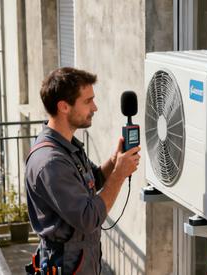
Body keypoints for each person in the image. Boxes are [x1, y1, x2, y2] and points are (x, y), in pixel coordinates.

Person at [24, 67, 140, 274]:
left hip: (82, 260)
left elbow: (93, 179)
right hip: (67, 264)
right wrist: (120, 175)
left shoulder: (66, 145)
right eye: (87, 101)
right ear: (64, 107)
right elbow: (88, 218)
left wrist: (114, 161)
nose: (94, 107)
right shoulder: (51, 162)